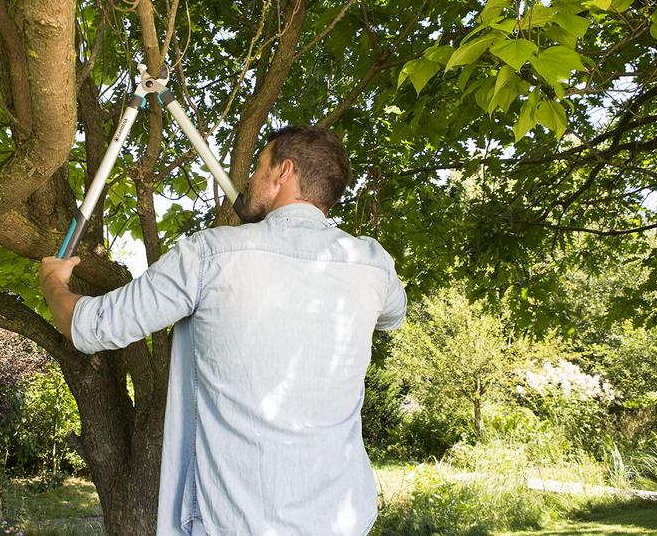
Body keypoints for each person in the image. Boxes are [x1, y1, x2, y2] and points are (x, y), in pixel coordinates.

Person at [40, 125, 407, 536]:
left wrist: (54, 283)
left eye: (259, 166)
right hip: (342, 522)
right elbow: (393, 314)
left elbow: (90, 327)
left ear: (284, 172)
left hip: (234, 524)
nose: (249, 178)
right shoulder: (373, 265)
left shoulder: (210, 254)